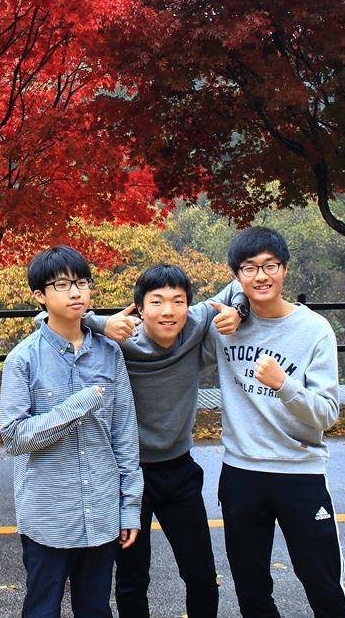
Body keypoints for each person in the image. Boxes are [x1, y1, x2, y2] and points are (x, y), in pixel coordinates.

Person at [83, 264, 247, 618]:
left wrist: (240, 312)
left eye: (178, 301)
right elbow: (45, 323)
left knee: (201, 574)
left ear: (189, 305)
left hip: (179, 473)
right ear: (140, 308)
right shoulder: (118, 343)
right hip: (126, 475)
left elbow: (241, 284)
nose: (169, 311)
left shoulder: (195, 326)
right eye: (156, 302)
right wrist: (100, 323)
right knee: (131, 578)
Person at [213, 226, 345, 618]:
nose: (261, 276)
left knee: (323, 585)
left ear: (285, 268)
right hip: (241, 473)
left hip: (300, 473)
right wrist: (239, 307)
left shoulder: (313, 330)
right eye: (249, 268)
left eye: (270, 265)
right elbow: (174, 318)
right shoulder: (224, 326)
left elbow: (328, 413)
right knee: (251, 592)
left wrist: (285, 386)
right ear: (236, 276)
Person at [0, 245, 143, 618]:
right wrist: (78, 404)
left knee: (96, 609)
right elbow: (14, 437)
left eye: (81, 282)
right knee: (42, 610)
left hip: (101, 512)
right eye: (61, 285)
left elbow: (124, 436)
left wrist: (129, 508)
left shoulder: (110, 353)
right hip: (48, 516)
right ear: (40, 296)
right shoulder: (23, 359)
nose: (75, 292)